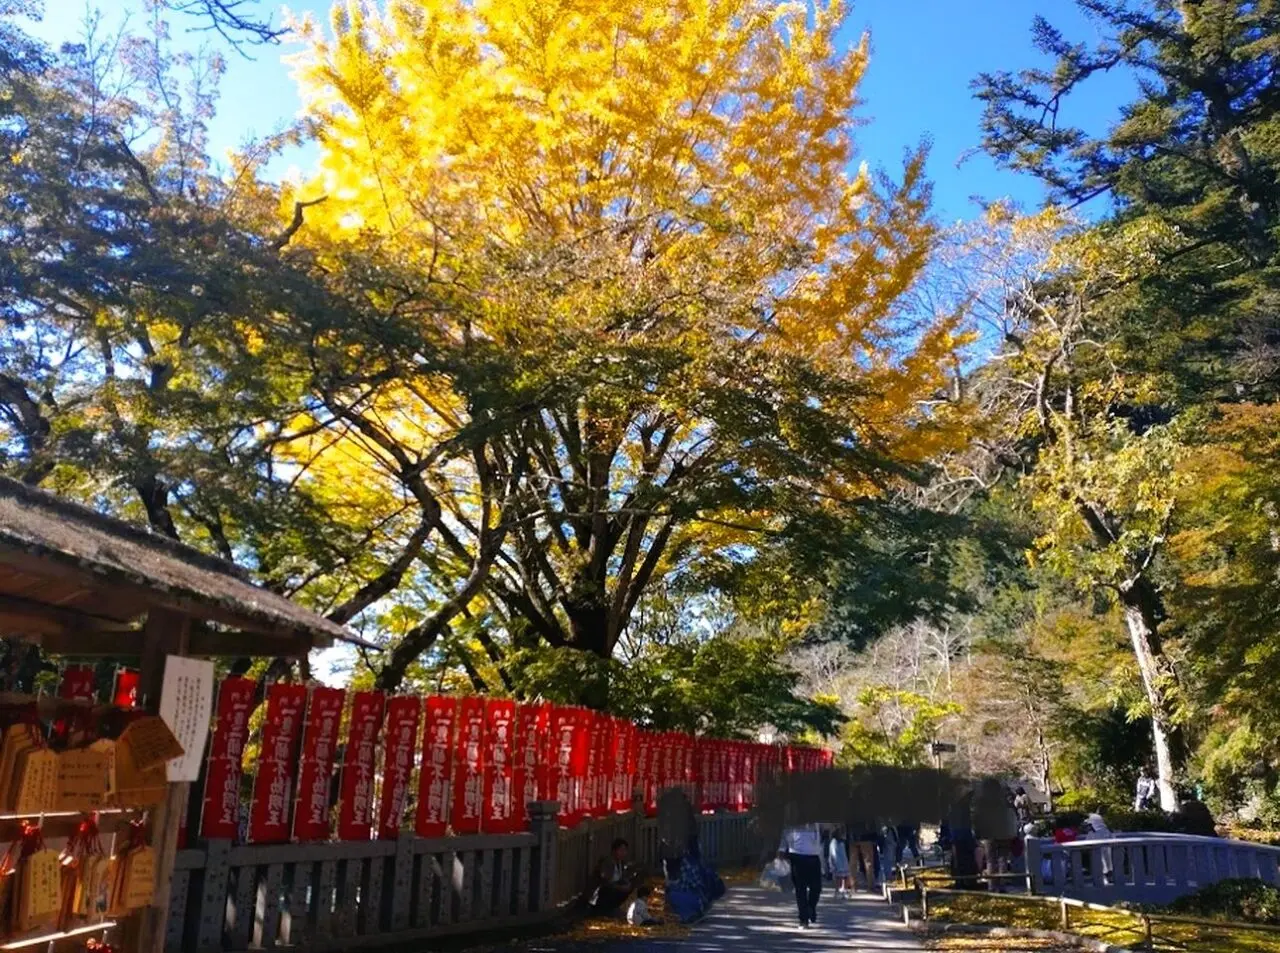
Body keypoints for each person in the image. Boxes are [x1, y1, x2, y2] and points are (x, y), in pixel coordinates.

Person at [780, 819, 823, 930]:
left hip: (813, 855)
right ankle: (803, 919)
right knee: (800, 889)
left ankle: (811, 907)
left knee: (816, 887)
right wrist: (782, 850)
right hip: (796, 855)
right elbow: (785, 834)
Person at [590, 838, 637, 916]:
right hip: (604, 891)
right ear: (614, 851)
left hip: (615, 887)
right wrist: (619, 887)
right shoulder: (607, 862)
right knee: (612, 891)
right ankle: (605, 910)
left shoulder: (620, 863)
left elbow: (622, 877)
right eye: (621, 850)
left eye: (625, 851)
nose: (623, 853)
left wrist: (627, 883)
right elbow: (604, 881)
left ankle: (615, 908)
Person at [827, 827, 851, 898]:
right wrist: (835, 864)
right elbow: (834, 854)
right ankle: (837, 891)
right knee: (838, 877)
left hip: (844, 862)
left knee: (845, 877)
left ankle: (844, 890)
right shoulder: (834, 842)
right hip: (838, 863)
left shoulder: (842, 842)